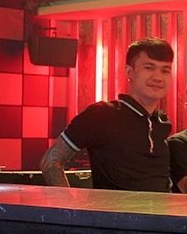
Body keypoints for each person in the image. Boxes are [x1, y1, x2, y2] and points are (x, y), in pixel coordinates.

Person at [40, 37, 173, 191]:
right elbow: (50, 160)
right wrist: (68, 204)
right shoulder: (101, 115)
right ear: (129, 71)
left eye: (165, 70)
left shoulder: (162, 122)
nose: (158, 77)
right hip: (115, 207)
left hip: (161, 207)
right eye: (149, 68)